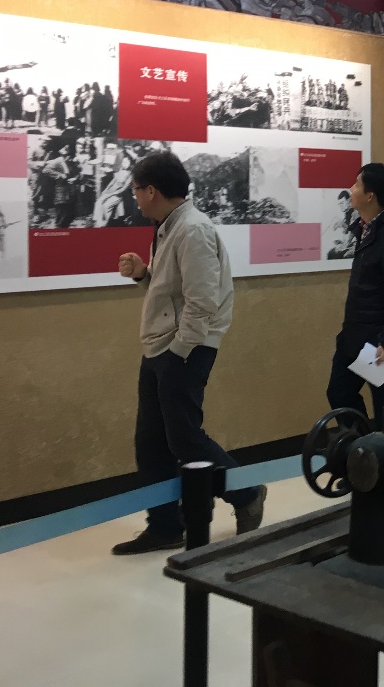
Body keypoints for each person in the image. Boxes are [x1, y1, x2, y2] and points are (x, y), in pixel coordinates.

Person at [112, 151, 265, 555]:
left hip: (182, 349)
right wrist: (143, 274)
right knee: (151, 442)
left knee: (184, 439)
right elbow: (174, 292)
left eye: (136, 190)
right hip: (161, 346)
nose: (134, 197)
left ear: (152, 190)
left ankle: (247, 492)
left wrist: (179, 351)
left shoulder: (193, 229)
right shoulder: (169, 226)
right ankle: (165, 526)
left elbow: (202, 302)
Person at [326, 164, 384, 432]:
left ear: (370, 195)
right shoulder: (364, 228)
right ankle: (363, 447)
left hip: (376, 340)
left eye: (356, 184)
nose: (351, 189)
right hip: (354, 335)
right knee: (339, 392)